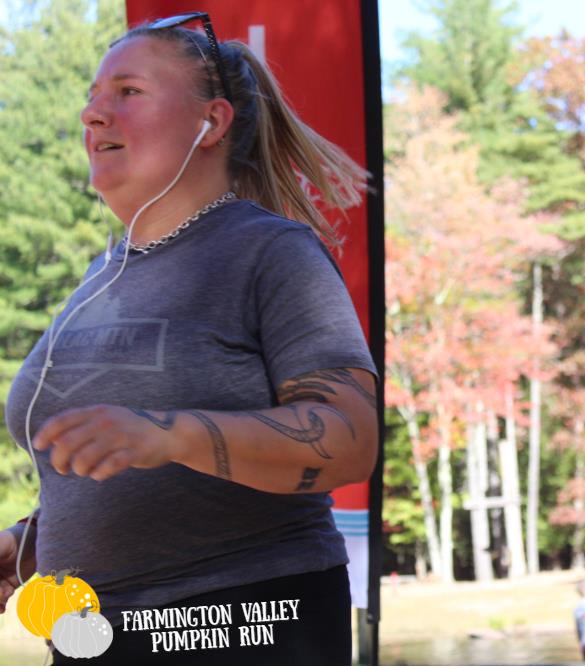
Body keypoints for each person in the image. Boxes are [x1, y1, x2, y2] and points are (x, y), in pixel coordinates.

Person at [0, 13, 376, 665]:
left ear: (212, 122)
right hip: (91, 633)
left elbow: (350, 438)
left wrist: (171, 432)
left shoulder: (271, 251)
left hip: (244, 620)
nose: (92, 114)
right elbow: (124, 470)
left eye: (128, 92)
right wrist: (28, 541)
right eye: (92, 98)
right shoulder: (98, 276)